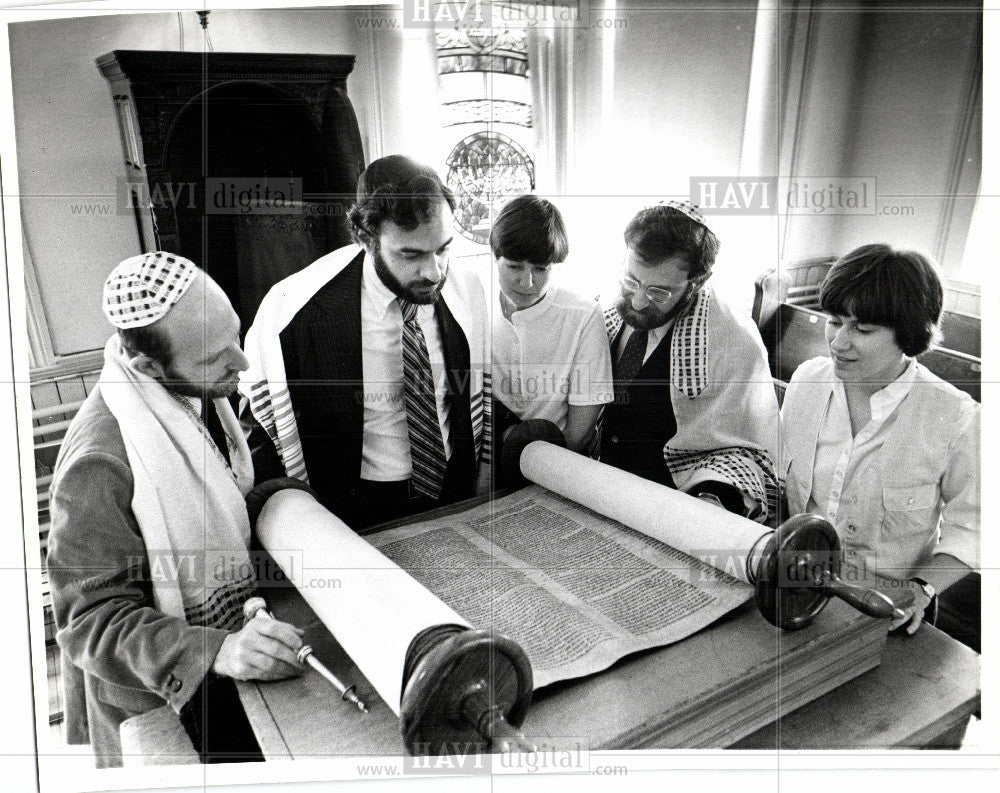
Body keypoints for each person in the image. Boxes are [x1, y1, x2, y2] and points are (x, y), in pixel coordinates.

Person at [47, 252, 306, 768]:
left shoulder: (194, 386)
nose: (242, 362)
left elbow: (234, 483)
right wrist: (217, 651)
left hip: (232, 639)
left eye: (236, 333)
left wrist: (285, 502)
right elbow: (88, 619)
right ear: (147, 365)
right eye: (215, 357)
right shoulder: (99, 462)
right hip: (154, 696)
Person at [241, 155, 489, 529]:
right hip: (359, 503)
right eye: (411, 254)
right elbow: (262, 425)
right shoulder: (297, 309)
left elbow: (477, 397)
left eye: (442, 249)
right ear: (366, 239)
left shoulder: (466, 289)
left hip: (452, 486)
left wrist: (483, 473)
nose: (434, 272)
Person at [780, 244, 979, 637]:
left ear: (908, 334)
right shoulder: (808, 381)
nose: (838, 342)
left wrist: (920, 590)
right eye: (834, 321)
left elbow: (976, 526)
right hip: (800, 584)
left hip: (893, 606)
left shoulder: (953, 416)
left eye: (863, 329)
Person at [601, 201, 781, 522]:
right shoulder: (609, 308)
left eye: (659, 292)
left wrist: (712, 499)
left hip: (668, 509)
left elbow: (747, 455)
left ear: (697, 281)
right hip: (599, 489)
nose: (639, 301)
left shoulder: (734, 341)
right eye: (632, 281)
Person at [489, 195, 613, 456]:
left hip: (560, 457)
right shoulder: (477, 304)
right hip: (490, 456)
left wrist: (543, 466)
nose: (527, 282)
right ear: (495, 256)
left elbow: (582, 426)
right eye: (514, 267)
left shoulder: (584, 315)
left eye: (541, 269)